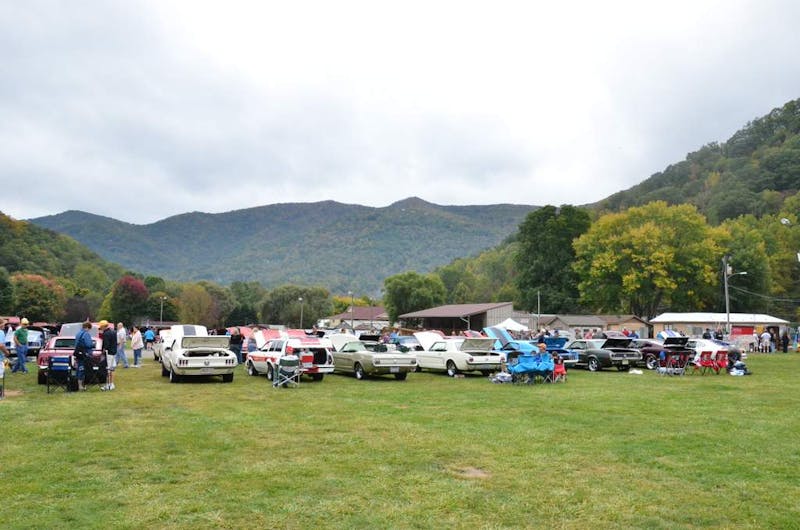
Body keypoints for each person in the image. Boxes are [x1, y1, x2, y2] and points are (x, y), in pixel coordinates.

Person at [73, 321, 94, 390]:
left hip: (78, 353)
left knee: (79, 368)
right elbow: (88, 344)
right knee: (83, 369)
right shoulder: (86, 334)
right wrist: (93, 344)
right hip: (85, 354)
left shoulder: (78, 333)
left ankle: (78, 385)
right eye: (89, 329)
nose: (89, 330)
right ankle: (81, 386)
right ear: (87, 327)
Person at [99, 320, 118, 390]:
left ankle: (109, 384)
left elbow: (106, 345)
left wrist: (102, 353)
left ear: (103, 326)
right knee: (111, 369)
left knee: (108, 369)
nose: (100, 328)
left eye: (101, 327)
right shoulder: (113, 331)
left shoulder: (106, 334)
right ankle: (111, 383)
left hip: (108, 353)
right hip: (113, 352)